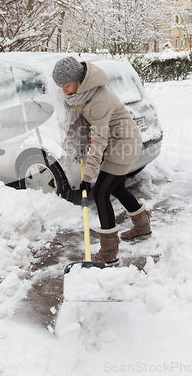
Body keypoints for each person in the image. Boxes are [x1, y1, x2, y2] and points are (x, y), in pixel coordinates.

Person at [52, 55, 152, 263]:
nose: (64, 91)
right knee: (116, 188)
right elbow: (84, 127)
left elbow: (98, 140)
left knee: (101, 193)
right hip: (116, 143)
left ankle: (109, 252)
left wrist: (87, 175)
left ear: (79, 80)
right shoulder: (82, 94)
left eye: (67, 85)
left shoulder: (99, 100)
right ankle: (142, 226)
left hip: (124, 144)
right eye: (60, 86)